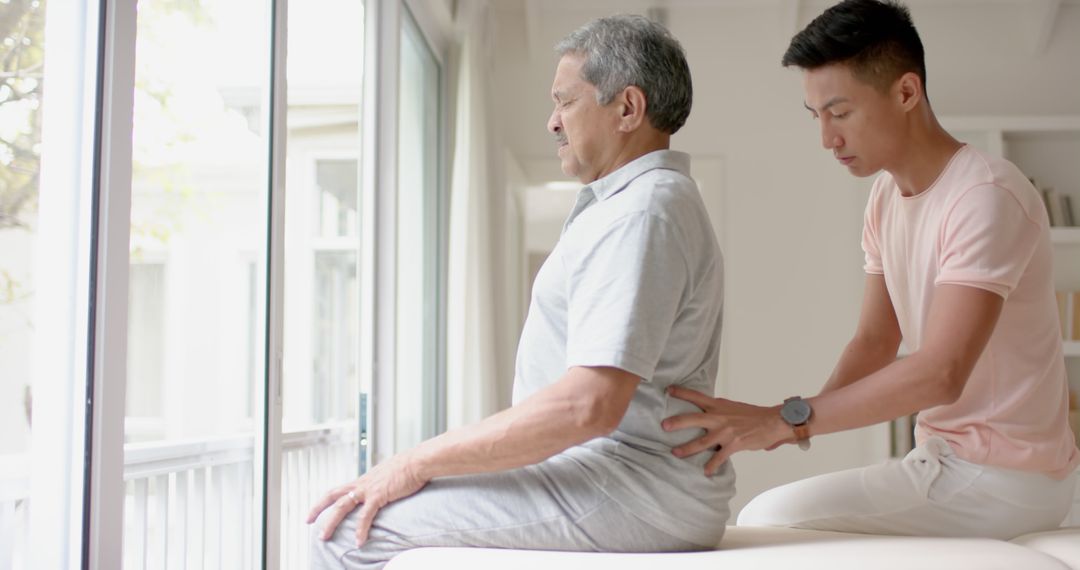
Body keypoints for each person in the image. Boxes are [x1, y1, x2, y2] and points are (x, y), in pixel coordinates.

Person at [307, 14, 732, 569]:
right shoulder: (636, 206)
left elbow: (589, 406)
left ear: (627, 109)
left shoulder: (643, 213)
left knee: (341, 535)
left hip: (633, 487)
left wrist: (415, 462)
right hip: (623, 477)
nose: (552, 122)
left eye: (565, 102)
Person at [662, 0, 1078, 540]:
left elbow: (941, 372)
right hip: (944, 460)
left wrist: (786, 418)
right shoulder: (885, 197)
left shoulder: (985, 195)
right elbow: (875, 340)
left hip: (1003, 479)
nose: (827, 139)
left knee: (769, 517)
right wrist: (789, 425)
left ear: (906, 92)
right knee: (769, 514)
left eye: (840, 113)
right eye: (817, 117)